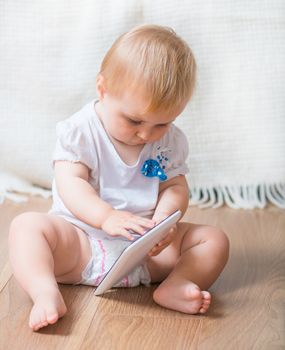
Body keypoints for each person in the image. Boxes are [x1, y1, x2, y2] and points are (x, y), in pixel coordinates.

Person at [9, 24, 229, 332]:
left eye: (162, 123)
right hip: (81, 242)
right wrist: (105, 217)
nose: (145, 134)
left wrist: (165, 221)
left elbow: (174, 185)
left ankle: (178, 284)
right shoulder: (81, 131)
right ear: (103, 88)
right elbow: (71, 182)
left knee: (213, 240)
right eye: (134, 120)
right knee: (26, 228)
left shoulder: (169, 141)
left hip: (145, 251)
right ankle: (44, 291)